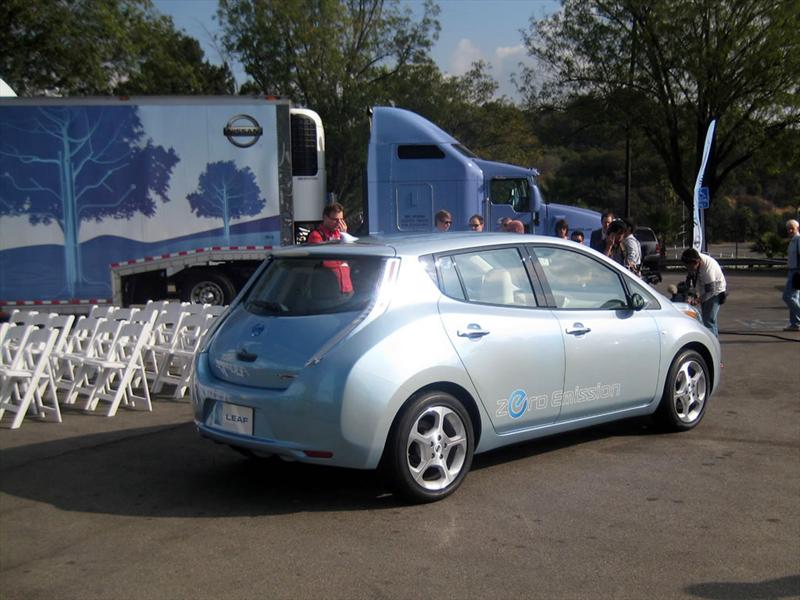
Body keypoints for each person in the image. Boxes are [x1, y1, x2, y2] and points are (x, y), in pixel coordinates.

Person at [307, 202, 352, 293]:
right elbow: (326, 262)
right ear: (325, 218)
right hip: (328, 289)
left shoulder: (340, 234)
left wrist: (344, 235)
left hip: (346, 286)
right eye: (335, 220)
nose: (339, 223)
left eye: (341, 220)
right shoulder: (317, 236)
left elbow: (349, 255)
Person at [681, 248, 727, 337]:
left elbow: (711, 291)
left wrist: (697, 300)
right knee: (706, 317)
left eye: (690, 267)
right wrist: (689, 294)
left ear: (697, 262)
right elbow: (690, 278)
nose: (689, 269)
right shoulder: (693, 258)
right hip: (704, 288)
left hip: (715, 292)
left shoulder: (709, 269)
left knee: (708, 320)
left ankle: (712, 342)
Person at [783, 219, 800, 332]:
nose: (790, 230)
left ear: (797, 228)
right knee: (795, 297)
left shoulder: (798, 240)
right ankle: (795, 323)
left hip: (797, 272)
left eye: (792, 228)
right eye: (788, 228)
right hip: (792, 271)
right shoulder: (792, 241)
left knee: (788, 296)